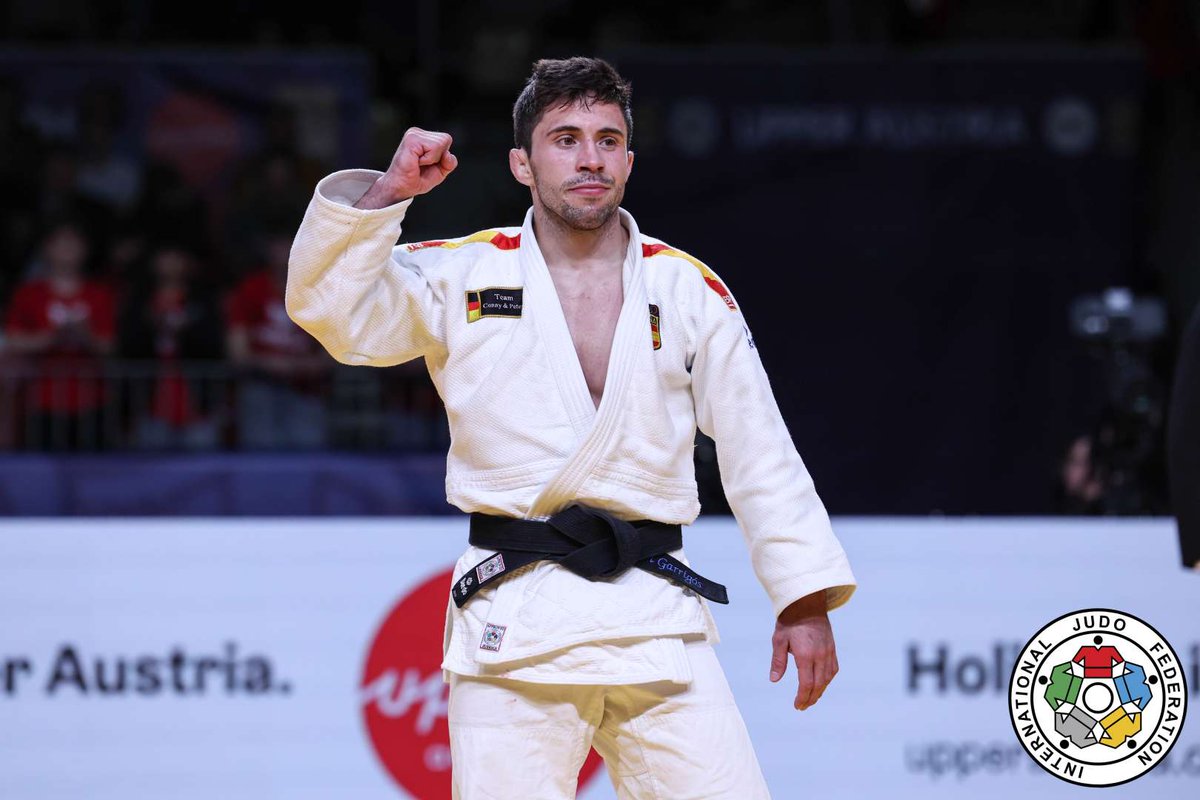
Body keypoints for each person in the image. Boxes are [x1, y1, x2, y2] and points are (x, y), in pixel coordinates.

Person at [287, 57, 856, 798]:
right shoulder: (463, 275)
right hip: (512, 627)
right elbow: (331, 312)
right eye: (565, 139)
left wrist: (802, 599)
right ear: (522, 163)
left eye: (607, 139)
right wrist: (389, 195)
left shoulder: (686, 287)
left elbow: (760, 452)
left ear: (628, 159)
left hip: (655, 624)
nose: (590, 158)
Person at [3, 220, 114, 450]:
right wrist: (52, 338)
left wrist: (84, 335)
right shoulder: (29, 293)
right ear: (47, 248)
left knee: (91, 469)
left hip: (90, 399)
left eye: (73, 243)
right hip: (41, 400)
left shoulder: (99, 294)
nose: (67, 249)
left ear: (85, 249)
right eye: (60, 243)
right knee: (42, 470)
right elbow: (12, 340)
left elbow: (109, 346)